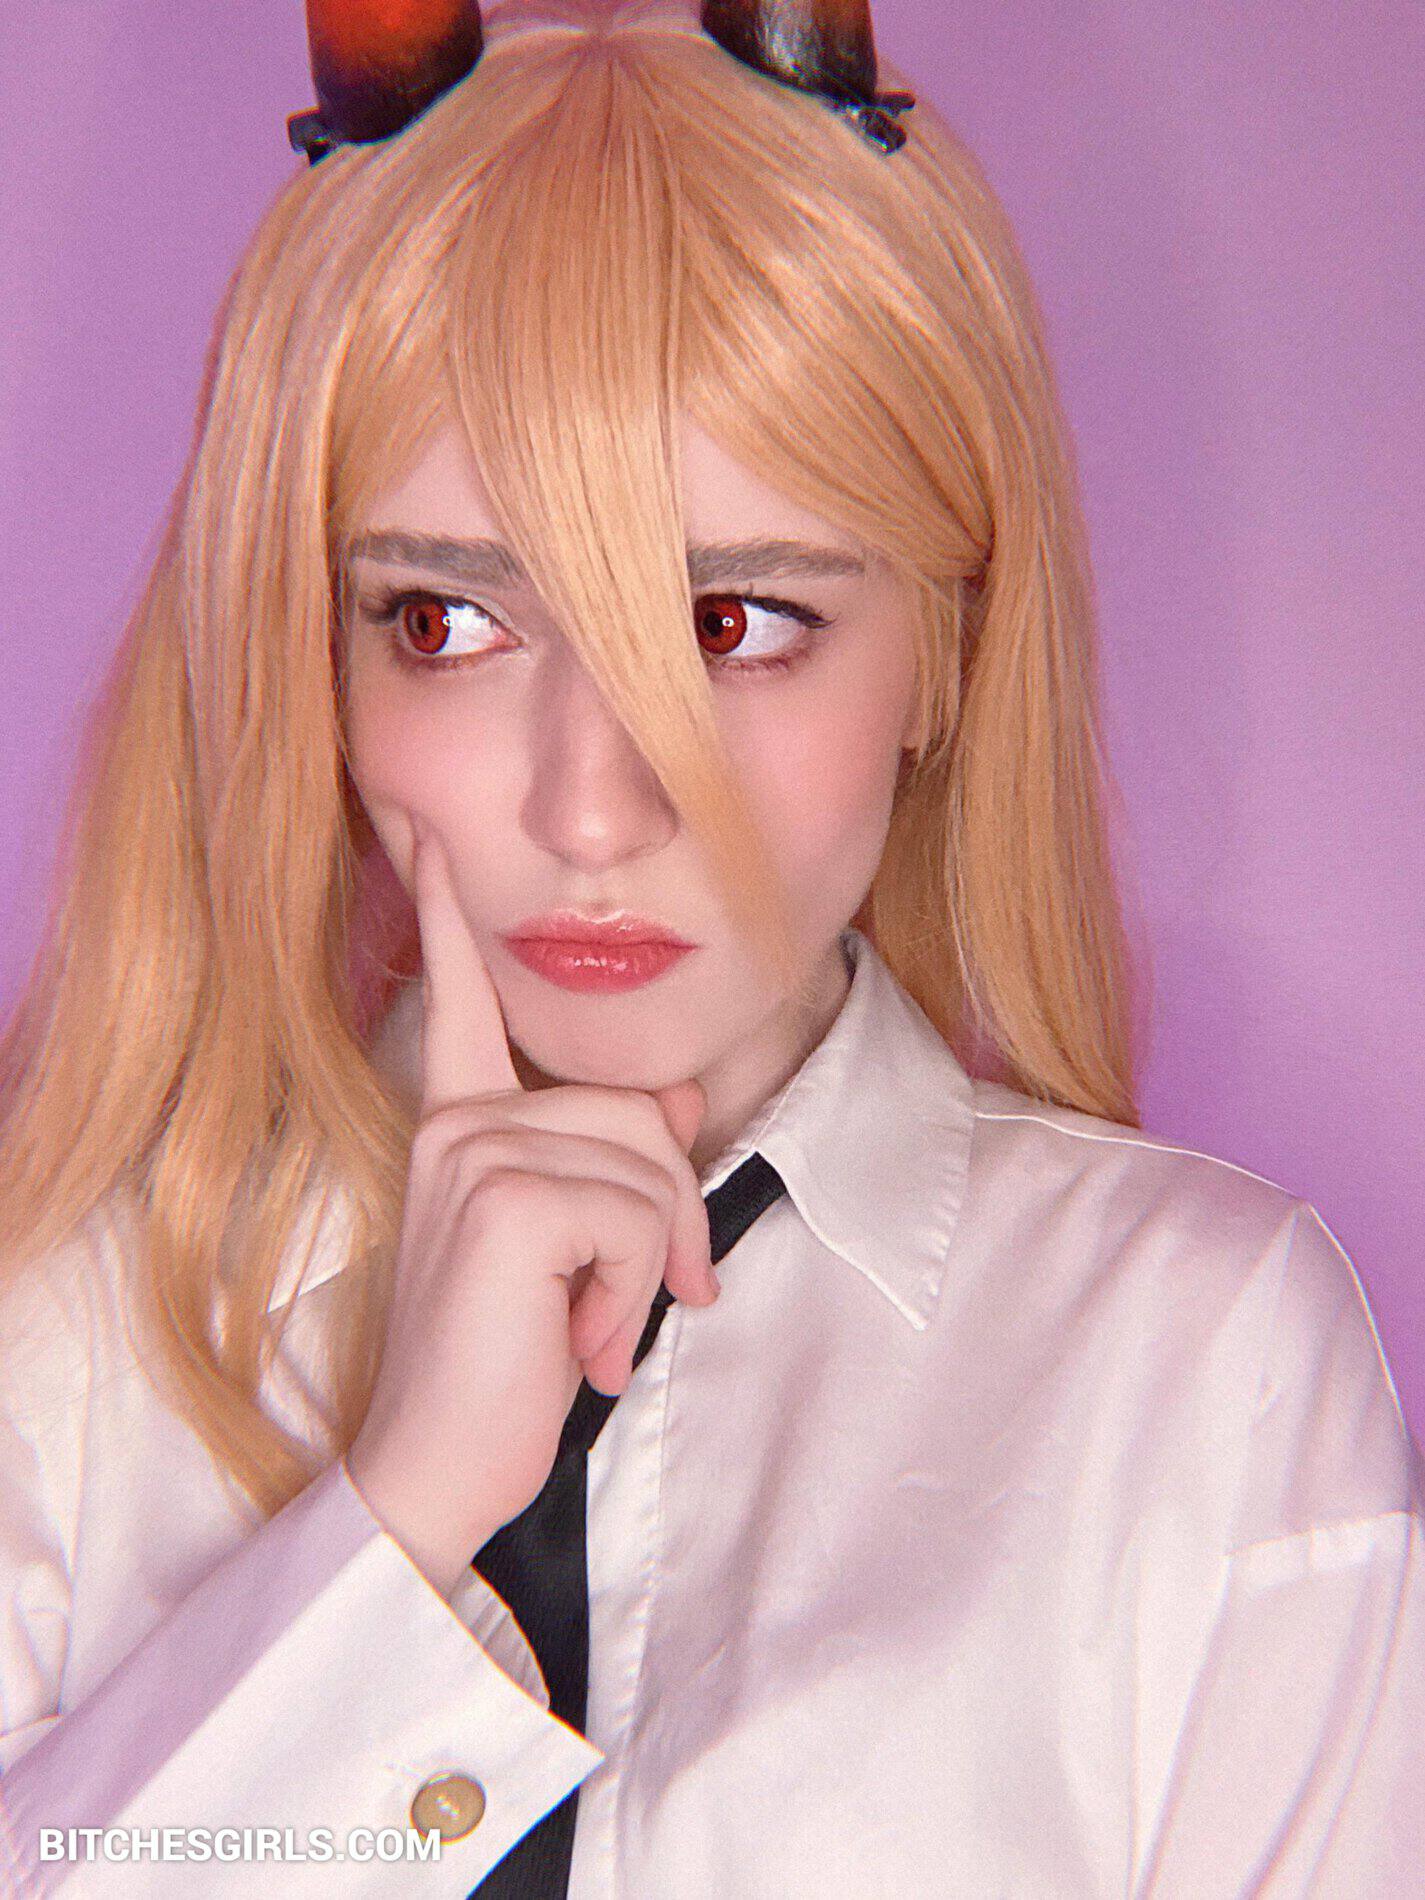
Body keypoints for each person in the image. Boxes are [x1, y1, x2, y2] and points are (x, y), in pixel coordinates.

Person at [1, 0, 1420, 1892]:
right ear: (306, 658)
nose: (593, 810)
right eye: (442, 624)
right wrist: (393, 1523)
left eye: (734, 622)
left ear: (948, 651)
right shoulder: (63, 1324)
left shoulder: (1194, 1367)